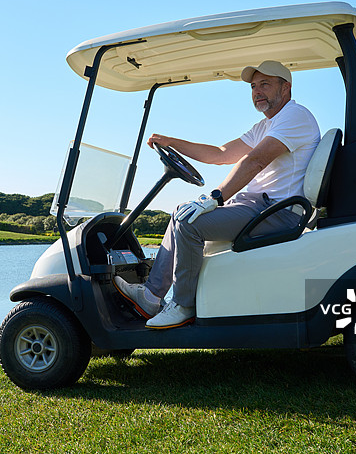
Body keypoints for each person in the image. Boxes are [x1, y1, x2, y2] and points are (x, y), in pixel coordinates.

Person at [114, 60, 321, 329]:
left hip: (278, 211)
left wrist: (216, 197)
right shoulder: (265, 125)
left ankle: (183, 304)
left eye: (265, 84)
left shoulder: (295, 116)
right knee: (181, 212)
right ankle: (152, 296)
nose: (257, 92)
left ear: (285, 88)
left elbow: (256, 161)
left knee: (189, 223)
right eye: (253, 86)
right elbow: (221, 154)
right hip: (258, 206)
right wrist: (172, 142)